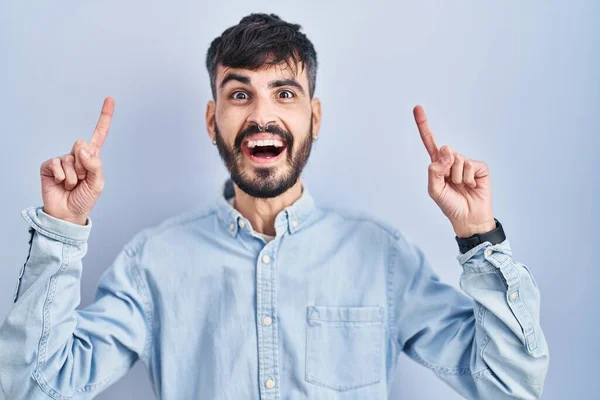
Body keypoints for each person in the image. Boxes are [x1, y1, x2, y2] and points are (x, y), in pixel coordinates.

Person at [0, 13, 548, 400]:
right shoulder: (153, 262)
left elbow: (511, 384)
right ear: (213, 120)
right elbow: (33, 389)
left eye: (283, 93)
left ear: (314, 116)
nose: (262, 115)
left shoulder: (381, 258)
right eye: (239, 94)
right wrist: (61, 231)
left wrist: (478, 237)